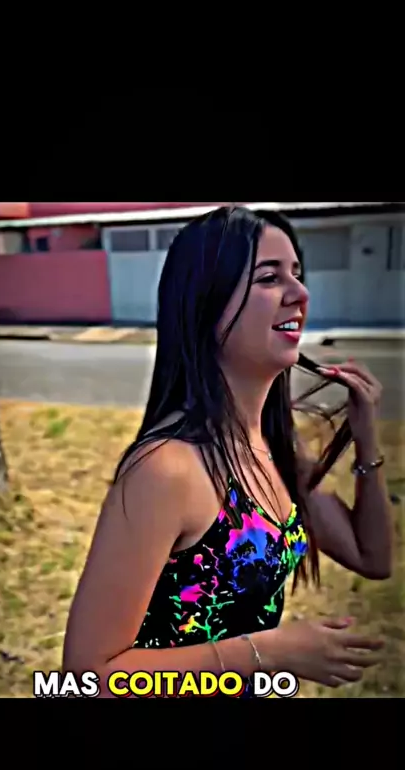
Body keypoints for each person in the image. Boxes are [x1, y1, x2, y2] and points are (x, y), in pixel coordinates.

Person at [63, 205, 393, 698]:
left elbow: (373, 558)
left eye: (297, 274)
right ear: (207, 305)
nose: (300, 294)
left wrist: (366, 439)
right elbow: (85, 676)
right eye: (269, 278)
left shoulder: (277, 449)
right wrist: (269, 653)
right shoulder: (167, 469)